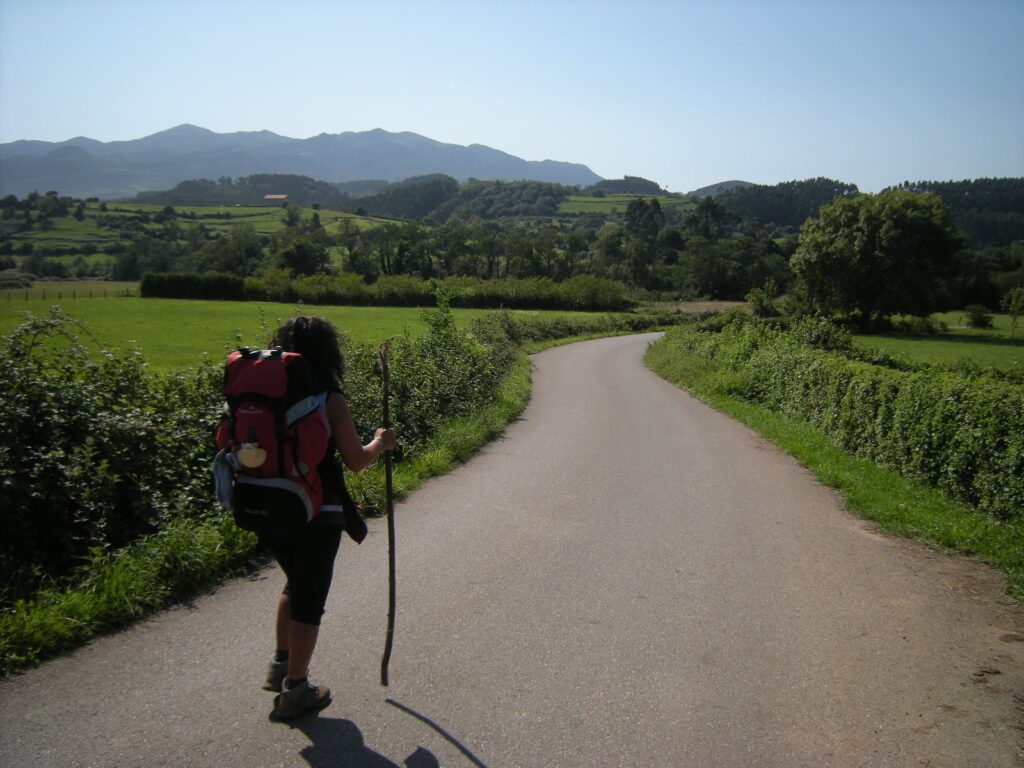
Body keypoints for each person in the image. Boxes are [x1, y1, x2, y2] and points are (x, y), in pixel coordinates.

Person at [262, 316, 396, 720]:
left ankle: (282, 665)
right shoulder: (328, 397)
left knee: (294, 582)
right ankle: (298, 690)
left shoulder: (269, 393)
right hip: (316, 512)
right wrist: (380, 442)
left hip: (268, 508)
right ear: (328, 353)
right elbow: (355, 461)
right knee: (309, 598)